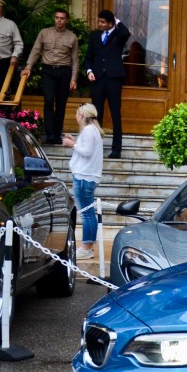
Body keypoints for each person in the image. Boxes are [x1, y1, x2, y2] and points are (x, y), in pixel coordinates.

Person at [23, 8, 80, 144]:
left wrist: (73, 79)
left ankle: (57, 134)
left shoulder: (72, 36)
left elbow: (75, 59)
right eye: (57, 17)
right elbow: (36, 51)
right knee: (48, 100)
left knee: (61, 104)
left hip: (64, 71)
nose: (59, 20)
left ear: (66, 20)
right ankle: (49, 134)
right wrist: (28, 67)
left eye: (62, 18)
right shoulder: (44, 33)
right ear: (54, 18)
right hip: (48, 71)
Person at [62, 103, 104, 260]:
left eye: (77, 114)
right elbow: (87, 149)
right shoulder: (93, 130)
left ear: (82, 116)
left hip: (84, 176)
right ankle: (88, 246)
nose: (76, 117)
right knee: (89, 213)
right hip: (88, 175)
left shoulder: (88, 131)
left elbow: (86, 152)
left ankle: (86, 247)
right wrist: (76, 142)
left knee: (86, 214)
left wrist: (72, 144)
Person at [86, 9, 129, 158]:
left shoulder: (118, 35)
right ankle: (94, 147)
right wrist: (89, 71)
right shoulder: (94, 36)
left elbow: (126, 32)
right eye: (99, 21)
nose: (99, 24)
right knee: (95, 113)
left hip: (113, 79)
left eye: (103, 22)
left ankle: (116, 149)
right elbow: (89, 57)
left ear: (110, 24)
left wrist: (115, 20)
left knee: (115, 113)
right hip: (97, 79)